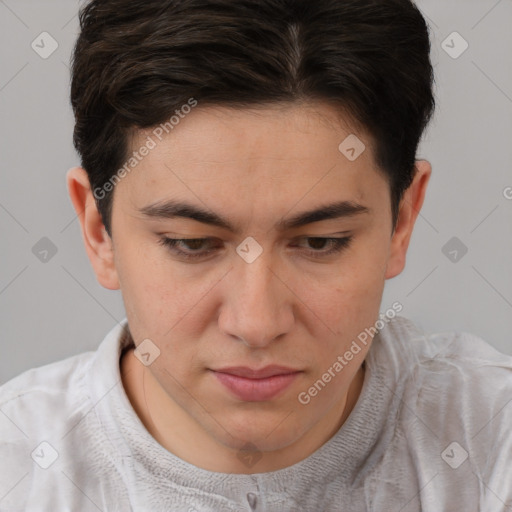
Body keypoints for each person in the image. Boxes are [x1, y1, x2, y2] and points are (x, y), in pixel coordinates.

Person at [1, 0, 511, 510]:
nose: (257, 323)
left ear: (401, 221)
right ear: (99, 233)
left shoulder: (494, 445)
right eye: (192, 243)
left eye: (320, 242)